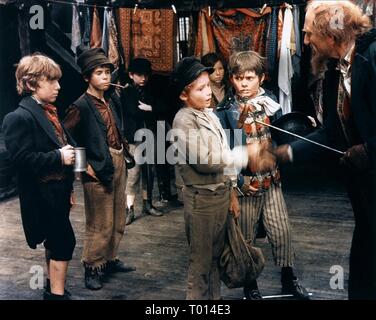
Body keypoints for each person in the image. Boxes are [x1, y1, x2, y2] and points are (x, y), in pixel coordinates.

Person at [274, 0, 376, 299]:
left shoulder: (372, 59)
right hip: (365, 192)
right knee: (365, 264)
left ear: (331, 35)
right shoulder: (334, 71)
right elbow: (331, 132)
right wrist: (283, 153)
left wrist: (370, 150)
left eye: (308, 34)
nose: (304, 41)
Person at [170, 56, 275, 300]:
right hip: (201, 201)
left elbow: (223, 153)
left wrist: (231, 195)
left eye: (208, 86)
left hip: (219, 198)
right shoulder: (183, 120)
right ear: (184, 95)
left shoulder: (209, 114)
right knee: (201, 265)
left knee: (215, 260)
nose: (208, 92)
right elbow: (206, 161)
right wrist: (245, 153)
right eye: (200, 88)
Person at [216, 51, 309, 300]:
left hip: (272, 180)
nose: (243, 83)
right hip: (246, 185)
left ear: (262, 78)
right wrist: (238, 183)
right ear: (231, 80)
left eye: (249, 77)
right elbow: (227, 152)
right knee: (245, 237)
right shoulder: (226, 110)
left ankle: (289, 278)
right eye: (238, 78)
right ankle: (250, 284)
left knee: (282, 231)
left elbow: (283, 136)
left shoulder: (272, 102)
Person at [2, 54, 76, 300]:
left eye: (57, 81)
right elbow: (20, 160)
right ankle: (56, 296)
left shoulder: (48, 111)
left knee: (57, 242)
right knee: (64, 242)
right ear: (31, 84)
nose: (58, 86)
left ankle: (53, 289)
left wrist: (70, 186)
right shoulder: (19, 117)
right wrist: (58, 157)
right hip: (41, 195)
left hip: (58, 192)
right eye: (51, 81)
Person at [64, 48, 136, 290]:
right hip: (97, 170)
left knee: (117, 219)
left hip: (116, 162)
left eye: (107, 72)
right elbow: (65, 138)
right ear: (87, 77)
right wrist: (85, 168)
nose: (105, 77)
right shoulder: (80, 106)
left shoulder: (112, 98)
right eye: (99, 73)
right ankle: (93, 266)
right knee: (100, 222)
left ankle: (110, 258)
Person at [120, 57, 164, 225]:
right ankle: (129, 209)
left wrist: (151, 108)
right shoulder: (127, 91)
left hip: (150, 135)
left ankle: (147, 203)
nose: (143, 78)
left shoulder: (150, 89)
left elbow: (163, 107)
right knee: (134, 173)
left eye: (145, 75)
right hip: (135, 137)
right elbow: (133, 112)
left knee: (149, 171)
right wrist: (151, 109)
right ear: (131, 75)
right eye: (139, 75)